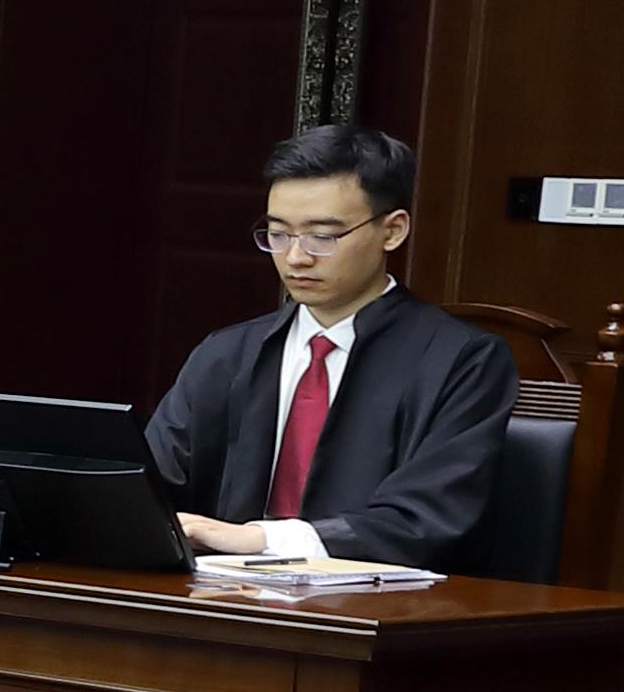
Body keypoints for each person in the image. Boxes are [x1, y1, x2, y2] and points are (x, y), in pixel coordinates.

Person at [147, 122, 523, 570]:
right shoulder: (228, 353)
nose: (296, 257)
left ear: (393, 230)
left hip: (379, 600)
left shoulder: (463, 360)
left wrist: (260, 539)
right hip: (224, 594)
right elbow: (151, 486)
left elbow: (427, 518)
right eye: (278, 234)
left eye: (322, 236)